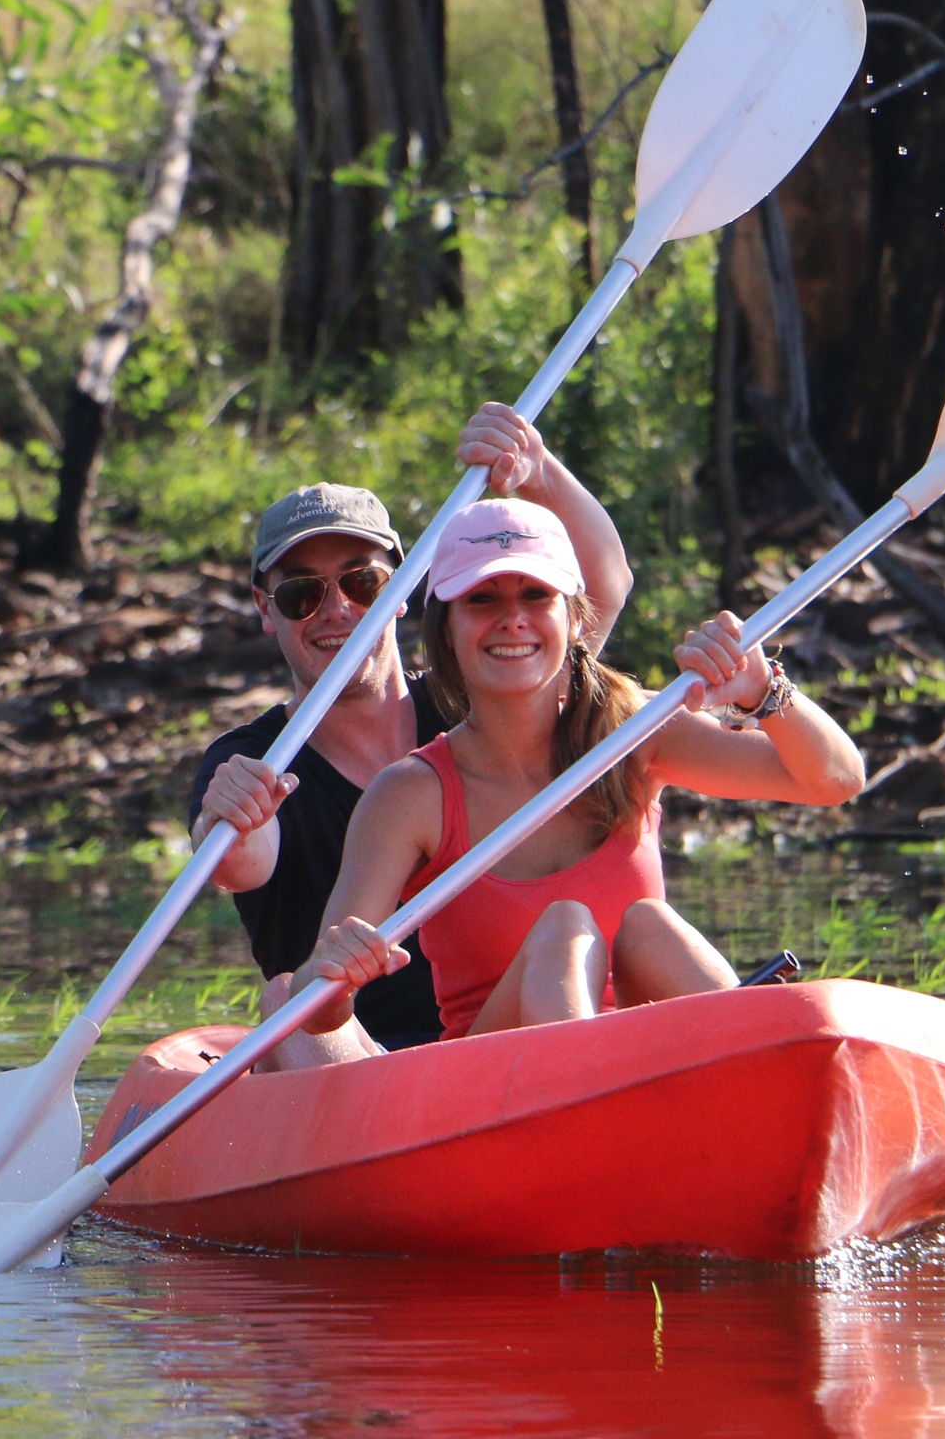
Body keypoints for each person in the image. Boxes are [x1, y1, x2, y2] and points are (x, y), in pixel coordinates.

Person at [287, 498, 866, 1044]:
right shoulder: (411, 794)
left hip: (643, 1067)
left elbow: (835, 781)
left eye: (536, 595)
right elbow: (319, 1011)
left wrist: (763, 691)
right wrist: (334, 974)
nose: (513, 620)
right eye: (482, 600)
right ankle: (609, 1084)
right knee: (564, 928)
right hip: (494, 1086)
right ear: (447, 629)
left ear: (572, 616)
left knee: (649, 926)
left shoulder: (634, 733)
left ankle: (751, 1061)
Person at [188, 404, 632, 1053]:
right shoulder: (253, 758)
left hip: (503, 1038)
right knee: (286, 994)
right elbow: (241, 863)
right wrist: (227, 826)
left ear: (400, 591)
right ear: (265, 608)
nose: (337, 610)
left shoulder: (486, 701)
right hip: (357, 1061)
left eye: (362, 582)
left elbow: (604, 588)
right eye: (301, 594)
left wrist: (536, 472)